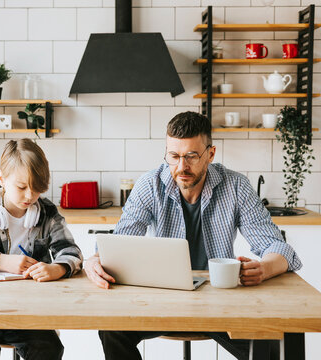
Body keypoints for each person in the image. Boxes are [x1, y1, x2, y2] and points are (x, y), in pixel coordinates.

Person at [84, 111, 302, 360]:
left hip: (221, 302)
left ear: (210, 154)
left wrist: (264, 268)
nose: (181, 167)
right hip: (162, 300)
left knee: (269, 350)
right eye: (174, 156)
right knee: (111, 330)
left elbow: (277, 246)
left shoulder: (236, 186)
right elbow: (120, 243)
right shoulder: (149, 185)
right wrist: (95, 259)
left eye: (191, 156)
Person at [0, 138, 83, 360]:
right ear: (1, 178)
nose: (30, 196)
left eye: (37, 188)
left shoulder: (47, 213)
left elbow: (72, 253)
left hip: (28, 309)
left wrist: (57, 268)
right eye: (21, 187)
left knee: (49, 348)